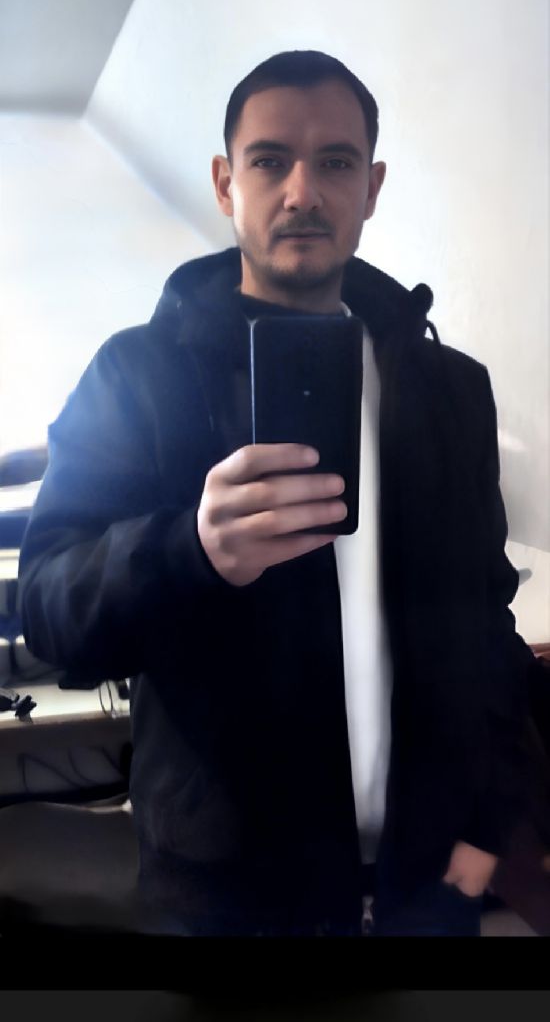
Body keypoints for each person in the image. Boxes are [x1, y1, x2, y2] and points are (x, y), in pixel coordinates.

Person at [17, 50, 532, 937]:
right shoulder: (135, 376)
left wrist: (494, 821)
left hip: (430, 881)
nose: (303, 192)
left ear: (371, 187)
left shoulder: (451, 388)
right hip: (228, 900)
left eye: (335, 161)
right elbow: (50, 615)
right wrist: (190, 550)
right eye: (270, 160)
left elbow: (487, 618)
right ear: (227, 183)